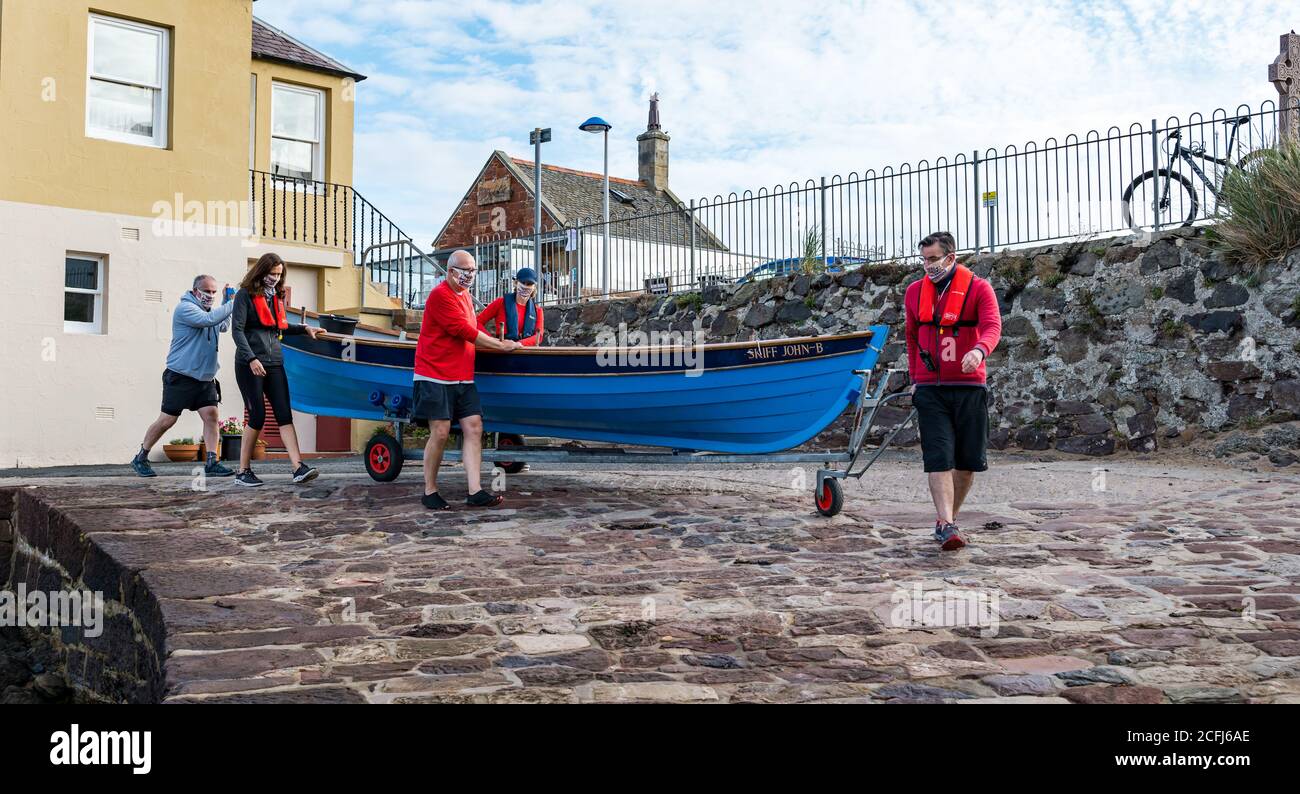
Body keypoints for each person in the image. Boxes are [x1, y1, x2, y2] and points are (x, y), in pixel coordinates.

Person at [903, 231, 1002, 551]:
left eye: (933, 259)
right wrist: (915, 378)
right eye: (924, 260)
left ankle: (949, 519)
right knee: (938, 456)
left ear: (951, 257)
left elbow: (992, 326)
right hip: (931, 389)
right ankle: (946, 523)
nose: (928, 266)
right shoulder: (914, 293)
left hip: (969, 386)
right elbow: (912, 338)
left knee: (968, 461)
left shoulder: (979, 288)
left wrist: (979, 351)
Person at [415, 250, 522, 509]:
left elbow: (474, 327)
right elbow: (464, 331)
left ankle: (475, 490)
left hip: (462, 376)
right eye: (465, 270)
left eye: (473, 270)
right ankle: (429, 490)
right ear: (451, 271)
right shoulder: (441, 295)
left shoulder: (466, 298)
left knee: (474, 427)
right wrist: (500, 345)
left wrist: (503, 340)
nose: (470, 275)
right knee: (439, 433)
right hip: (435, 375)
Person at [229, 252, 321, 487]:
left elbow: (279, 325)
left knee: (284, 414)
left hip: (274, 362)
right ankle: (243, 471)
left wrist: (304, 329)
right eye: (272, 274)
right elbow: (237, 331)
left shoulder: (275, 296)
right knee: (257, 416)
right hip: (250, 364)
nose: (275, 279)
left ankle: (298, 467)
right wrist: (251, 358)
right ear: (261, 271)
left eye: (279, 275)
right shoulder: (244, 295)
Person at [131, 275, 237, 477]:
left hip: (205, 378)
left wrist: (226, 301)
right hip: (181, 376)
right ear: (195, 291)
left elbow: (222, 325)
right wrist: (233, 303)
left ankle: (212, 462)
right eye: (207, 291)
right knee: (167, 421)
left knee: (211, 417)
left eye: (214, 292)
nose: (210, 295)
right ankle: (141, 457)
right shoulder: (185, 309)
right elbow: (209, 320)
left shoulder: (210, 313)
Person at [476, 267, 545, 346]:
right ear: (515, 283)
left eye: (529, 284)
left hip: (525, 351)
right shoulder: (500, 302)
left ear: (534, 287)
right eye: (523, 282)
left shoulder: (537, 311)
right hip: (501, 350)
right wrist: (491, 340)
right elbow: (477, 322)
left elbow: (539, 337)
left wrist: (518, 344)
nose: (525, 286)